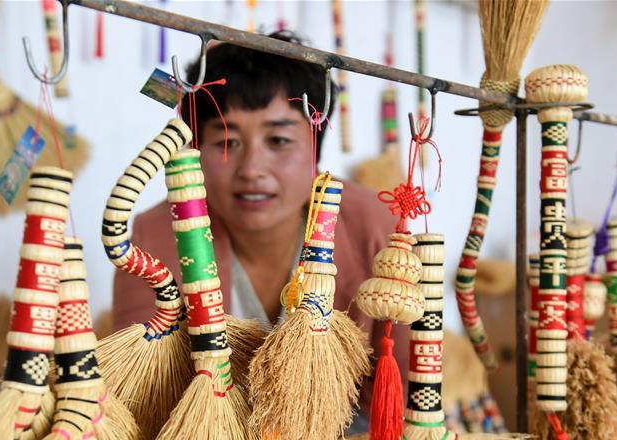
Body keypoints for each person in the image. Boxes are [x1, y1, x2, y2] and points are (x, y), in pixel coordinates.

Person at [112, 33, 409, 420]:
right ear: (196, 151)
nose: (252, 169)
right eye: (227, 142)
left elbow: (405, 391)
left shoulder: (377, 227)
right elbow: (136, 402)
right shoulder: (157, 236)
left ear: (315, 148)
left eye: (279, 139)